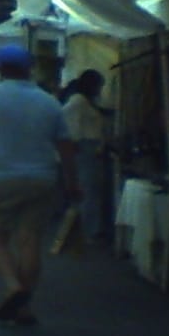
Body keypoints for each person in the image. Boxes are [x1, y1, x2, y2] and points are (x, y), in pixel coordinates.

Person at [0, 44, 79, 327]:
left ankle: (13, 286)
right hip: (42, 178)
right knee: (30, 240)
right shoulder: (49, 102)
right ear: (29, 68)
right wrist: (72, 183)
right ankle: (25, 306)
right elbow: (66, 148)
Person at [59, 70, 109, 245]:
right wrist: (76, 142)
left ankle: (89, 228)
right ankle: (88, 230)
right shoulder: (78, 101)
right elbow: (69, 122)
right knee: (89, 188)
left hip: (90, 146)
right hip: (85, 147)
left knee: (91, 188)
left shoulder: (88, 101)